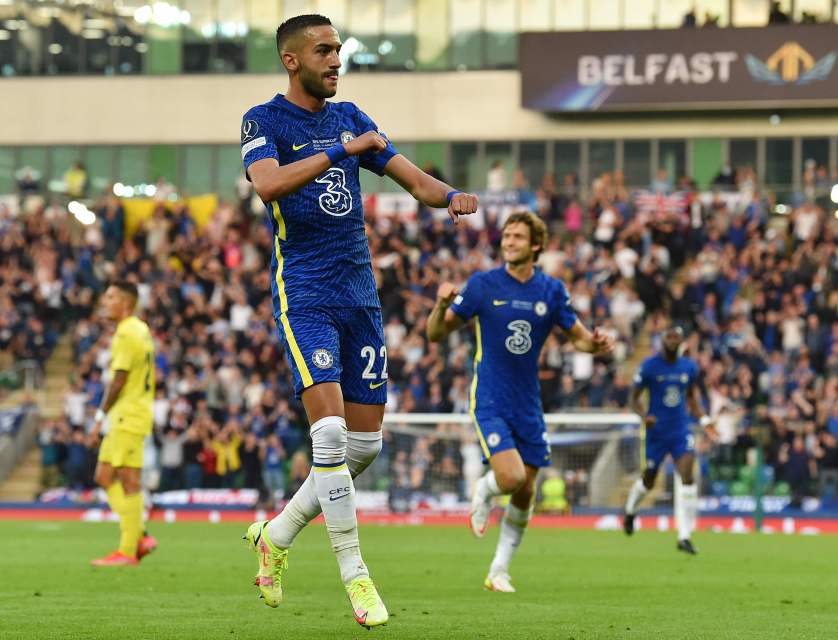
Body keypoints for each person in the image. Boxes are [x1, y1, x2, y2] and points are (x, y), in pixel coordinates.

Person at [239, 14, 478, 628]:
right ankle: (357, 577)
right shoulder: (263, 121)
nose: (336, 61)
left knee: (362, 447)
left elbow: (415, 181)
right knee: (328, 439)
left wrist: (450, 195)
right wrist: (338, 151)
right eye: (324, 51)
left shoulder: (354, 117)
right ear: (292, 60)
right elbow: (267, 184)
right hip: (308, 295)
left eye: (339, 51)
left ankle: (278, 533)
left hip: (360, 298)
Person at [427, 211, 613, 593]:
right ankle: (484, 490)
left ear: (535, 245)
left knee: (527, 491)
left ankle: (498, 570)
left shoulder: (551, 290)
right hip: (490, 398)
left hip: (528, 404)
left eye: (516, 237)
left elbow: (577, 337)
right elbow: (435, 335)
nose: (508, 242)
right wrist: (439, 307)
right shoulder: (482, 284)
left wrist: (593, 345)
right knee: (510, 479)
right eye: (506, 236)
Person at [622, 325, 712, 555]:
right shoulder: (649, 366)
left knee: (688, 477)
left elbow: (692, 398)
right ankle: (631, 510)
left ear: (681, 341)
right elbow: (633, 398)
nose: (672, 341)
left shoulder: (688, 367)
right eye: (669, 337)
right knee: (649, 479)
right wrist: (644, 417)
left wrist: (704, 420)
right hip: (657, 432)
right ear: (662, 340)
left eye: (676, 338)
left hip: (680, 430)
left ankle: (685, 536)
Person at [89, 281, 158, 566]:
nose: (105, 301)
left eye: (111, 297)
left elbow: (118, 380)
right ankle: (139, 534)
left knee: (128, 480)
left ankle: (127, 551)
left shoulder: (126, 332)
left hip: (126, 415)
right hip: (131, 412)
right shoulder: (140, 328)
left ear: (126, 303)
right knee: (104, 477)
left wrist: (98, 417)